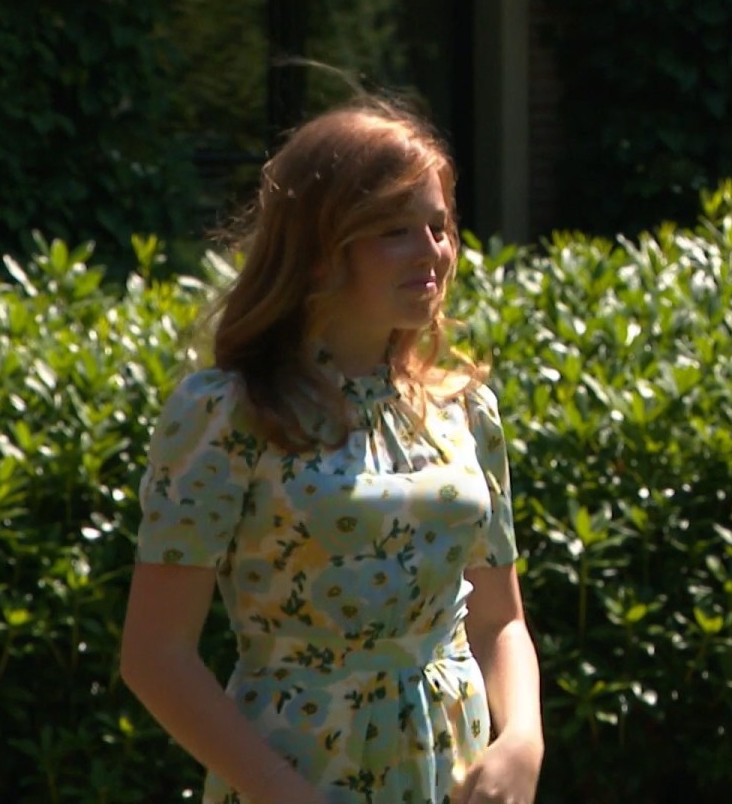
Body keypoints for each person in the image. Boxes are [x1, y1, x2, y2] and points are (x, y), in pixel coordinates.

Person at [119, 95, 543, 804]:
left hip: (453, 772)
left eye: (438, 226)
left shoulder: (465, 409)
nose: (432, 252)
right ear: (317, 252)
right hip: (295, 777)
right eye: (394, 230)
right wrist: (286, 794)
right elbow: (155, 654)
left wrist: (523, 739)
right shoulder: (226, 411)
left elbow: (500, 620)